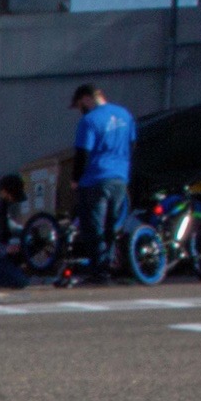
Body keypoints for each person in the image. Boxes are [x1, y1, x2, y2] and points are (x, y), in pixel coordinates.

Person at [68, 83, 134, 283]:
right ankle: (109, 267)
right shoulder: (125, 115)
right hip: (120, 178)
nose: (80, 110)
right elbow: (132, 145)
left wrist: (75, 180)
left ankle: (99, 271)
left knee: (93, 227)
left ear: (86, 99)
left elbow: (83, 154)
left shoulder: (90, 120)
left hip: (95, 179)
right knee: (112, 226)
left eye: (80, 105)